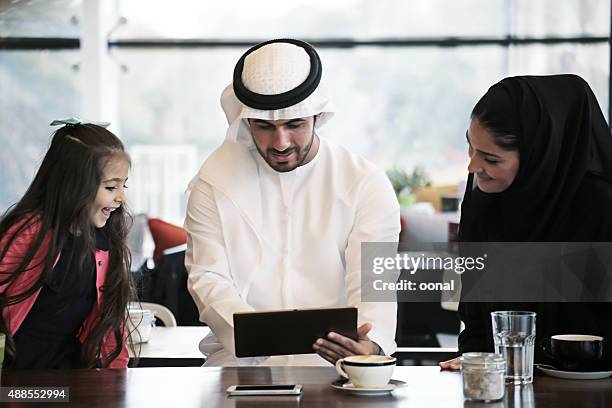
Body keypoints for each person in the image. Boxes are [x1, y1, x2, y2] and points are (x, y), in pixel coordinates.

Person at [185, 39, 400, 366]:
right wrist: (258, 338)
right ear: (246, 122)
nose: (280, 143)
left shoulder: (364, 183)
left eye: (294, 124)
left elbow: (375, 282)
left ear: (317, 116)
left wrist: (370, 345)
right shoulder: (214, 181)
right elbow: (208, 277)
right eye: (265, 127)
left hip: (335, 365)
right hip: (237, 363)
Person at [440, 74, 612, 370]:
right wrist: (475, 361)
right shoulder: (483, 205)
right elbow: (475, 318)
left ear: (539, 156)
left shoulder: (601, 209)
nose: (472, 166)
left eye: (491, 159)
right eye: (471, 147)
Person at [0, 120, 134, 368]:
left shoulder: (105, 240)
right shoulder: (29, 233)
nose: (121, 197)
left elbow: (111, 326)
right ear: (75, 183)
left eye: (123, 185)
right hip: (16, 381)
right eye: (111, 187)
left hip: (68, 379)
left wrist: (117, 381)